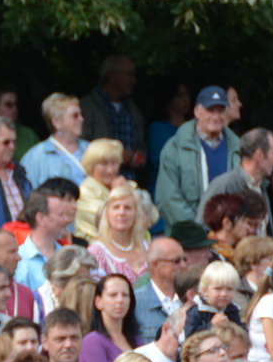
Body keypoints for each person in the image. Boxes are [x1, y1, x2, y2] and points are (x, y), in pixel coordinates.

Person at [155, 87, 239, 229]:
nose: (216, 117)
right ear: (196, 111)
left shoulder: (238, 147)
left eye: (220, 111)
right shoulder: (175, 148)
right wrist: (198, 232)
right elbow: (167, 199)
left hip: (230, 233)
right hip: (189, 237)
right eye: (210, 110)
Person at [88, 181, 151, 284]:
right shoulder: (97, 252)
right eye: (116, 207)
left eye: (128, 208)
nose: (121, 213)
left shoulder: (150, 248)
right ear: (107, 213)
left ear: (136, 214)